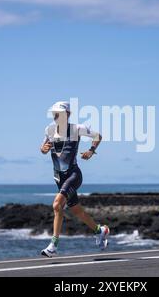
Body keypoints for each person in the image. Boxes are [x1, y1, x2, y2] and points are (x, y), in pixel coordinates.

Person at [40, 101, 109, 257]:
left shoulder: (77, 129)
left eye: (59, 114)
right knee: (77, 211)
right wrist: (43, 149)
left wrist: (91, 151)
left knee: (57, 205)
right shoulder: (49, 130)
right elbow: (43, 148)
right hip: (59, 177)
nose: (56, 116)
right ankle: (101, 230)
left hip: (73, 175)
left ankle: (53, 246)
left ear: (68, 115)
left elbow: (98, 136)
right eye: (54, 114)